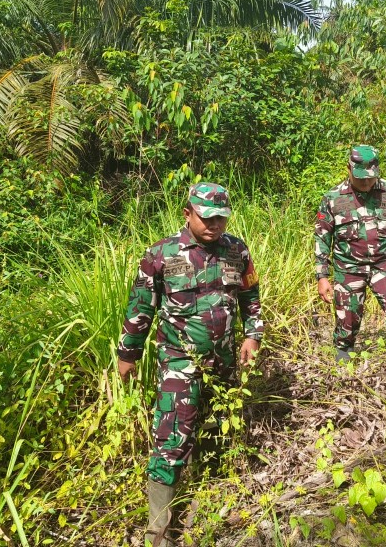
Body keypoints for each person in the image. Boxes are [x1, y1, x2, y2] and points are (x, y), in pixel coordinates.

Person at [117, 182, 264, 547]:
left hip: (224, 360)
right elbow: (141, 308)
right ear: (188, 213)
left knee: (218, 426)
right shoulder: (161, 254)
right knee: (170, 439)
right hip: (179, 362)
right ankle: (160, 532)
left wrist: (252, 335)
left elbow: (251, 296)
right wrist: (128, 353)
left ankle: (210, 497)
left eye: (221, 218)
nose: (214, 224)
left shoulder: (237, 250)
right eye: (207, 217)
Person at [314, 145, 386, 362]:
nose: (365, 183)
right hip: (349, 267)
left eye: (370, 178)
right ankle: (343, 360)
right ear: (349, 169)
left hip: (384, 264)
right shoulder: (333, 198)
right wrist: (322, 276)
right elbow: (322, 238)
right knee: (347, 322)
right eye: (360, 178)